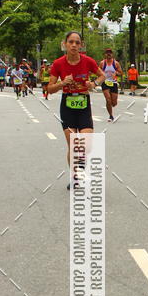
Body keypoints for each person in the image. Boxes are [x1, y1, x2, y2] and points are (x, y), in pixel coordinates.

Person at [46, 31, 105, 190]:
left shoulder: (88, 61)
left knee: (86, 144)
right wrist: (63, 83)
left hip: (84, 104)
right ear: (64, 44)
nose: (74, 45)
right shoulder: (58, 64)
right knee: (73, 145)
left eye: (77, 42)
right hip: (67, 106)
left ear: (81, 45)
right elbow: (50, 89)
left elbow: (102, 76)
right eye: (71, 42)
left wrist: (93, 84)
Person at [99, 49, 123, 121]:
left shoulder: (116, 63)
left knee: (114, 103)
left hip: (113, 83)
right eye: (107, 53)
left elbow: (121, 73)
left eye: (110, 53)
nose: (108, 54)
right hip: (105, 82)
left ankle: (111, 105)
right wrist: (101, 76)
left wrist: (116, 73)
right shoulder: (102, 63)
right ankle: (111, 115)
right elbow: (98, 71)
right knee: (108, 99)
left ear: (112, 54)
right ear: (105, 54)